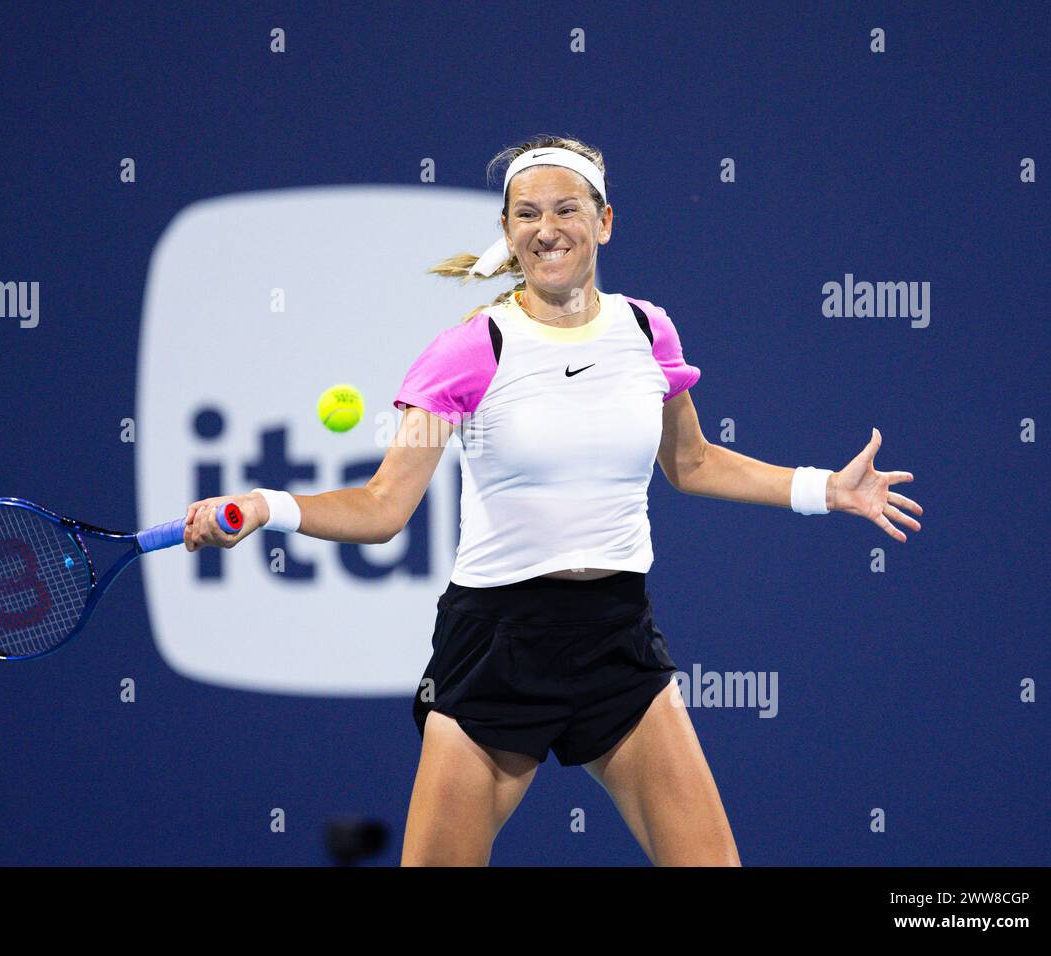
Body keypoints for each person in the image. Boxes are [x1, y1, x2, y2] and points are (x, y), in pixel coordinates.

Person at [181, 134, 924, 866]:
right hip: (496, 646)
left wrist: (821, 488)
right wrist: (267, 506)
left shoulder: (645, 329)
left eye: (566, 209)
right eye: (526, 214)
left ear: (603, 221)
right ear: (507, 232)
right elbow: (382, 508)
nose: (547, 229)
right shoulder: (472, 347)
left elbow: (690, 462)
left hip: (617, 640)